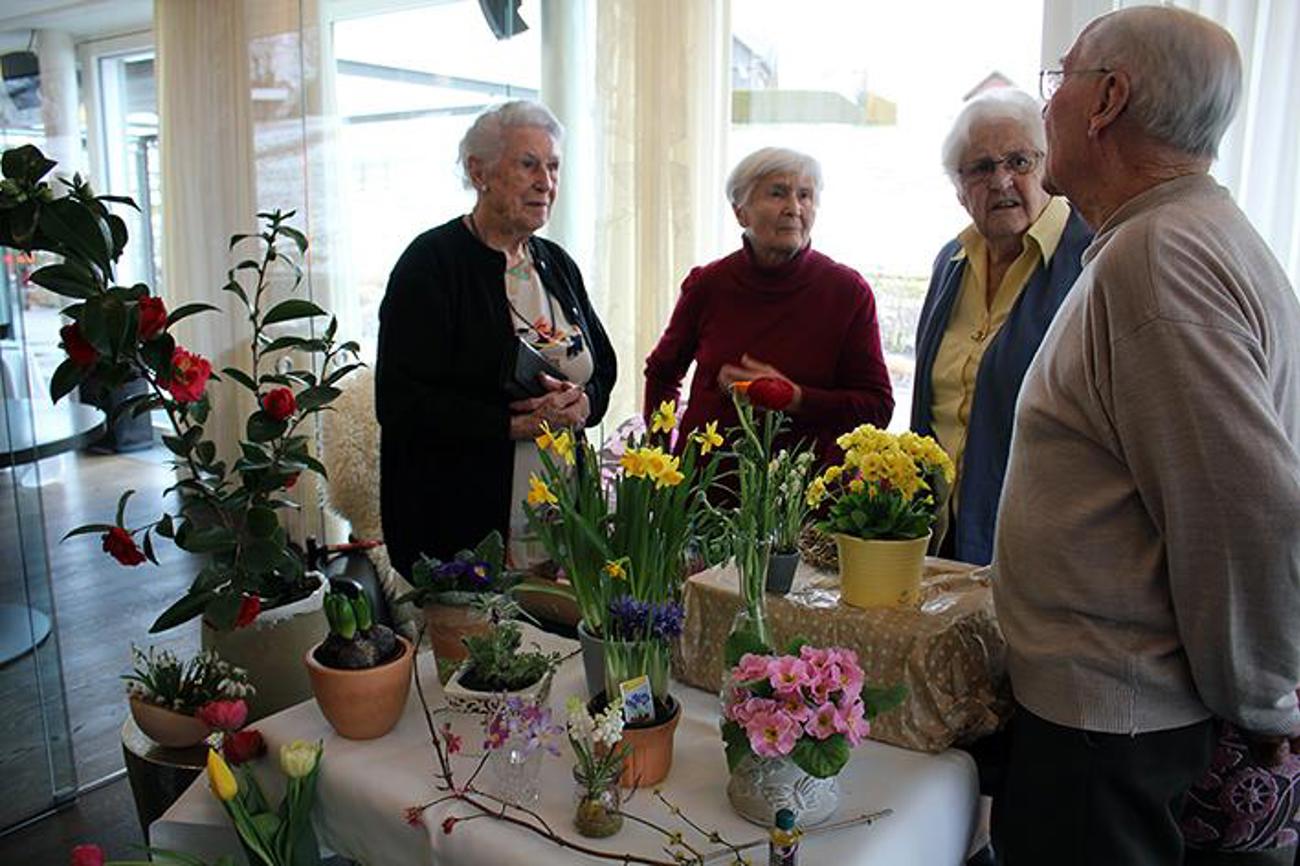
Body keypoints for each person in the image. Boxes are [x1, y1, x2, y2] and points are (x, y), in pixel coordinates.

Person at [990, 7, 1300, 865]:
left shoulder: (1158, 258)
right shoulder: (1183, 236)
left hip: (1110, 724)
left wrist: (1265, 700)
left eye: (1060, 80)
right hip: (1114, 717)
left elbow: (1248, 513)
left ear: (1109, 99)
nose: (1043, 106)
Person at [375, 100, 617, 577]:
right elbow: (400, 401)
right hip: (462, 522)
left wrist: (585, 404)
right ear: (478, 171)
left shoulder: (554, 262)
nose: (545, 182)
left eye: (553, 166)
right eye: (528, 164)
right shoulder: (431, 265)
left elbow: (602, 366)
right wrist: (511, 426)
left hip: (561, 518)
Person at [911, 87, 1091, 565]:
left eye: (1019, 161)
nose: (1001, 180)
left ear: (1048, 168)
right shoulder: (950, 262)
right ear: (958, 187)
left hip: (1041, 550)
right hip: (939, 539)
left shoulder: (1090, 262)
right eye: (981, 168)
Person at [643, 147, 892, 464]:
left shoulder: (847, 293)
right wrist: (656, 463)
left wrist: (794, 398)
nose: (794, 208)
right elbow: (662, 374)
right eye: (777, 194)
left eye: (805, 196)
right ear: (740, 212)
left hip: (801, 498)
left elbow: (877, 407)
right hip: (704, 492)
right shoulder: (708, 284)